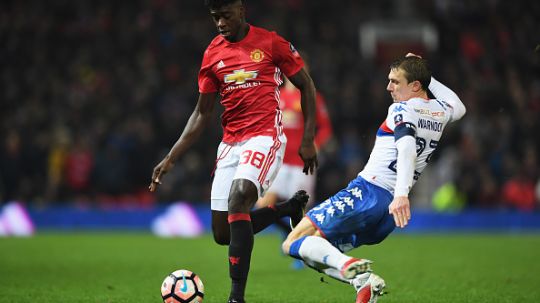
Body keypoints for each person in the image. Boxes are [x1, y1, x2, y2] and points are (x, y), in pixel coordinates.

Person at [149, 1, 318, 302]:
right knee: (223, 234)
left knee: (239, 197)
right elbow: (202, 113)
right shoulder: (213, 53)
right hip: (230, 144)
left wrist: (307, 139)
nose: (220, 23)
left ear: (241, 10)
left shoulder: (270, 42)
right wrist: (171, 157)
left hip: (265, 136)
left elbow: (306, 85)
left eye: (225, 16)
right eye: (215, 18)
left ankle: (236, 297)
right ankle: (287, 209)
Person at [281, 53, 466, 303]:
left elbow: (407, 147)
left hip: (368, 193)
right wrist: (427, 76)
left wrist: (402, 194)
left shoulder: (402, 109)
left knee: (292, 242)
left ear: (414, 86)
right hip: (387, 214)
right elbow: (459, 106)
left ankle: (354, 268)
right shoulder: (439, 112)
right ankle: (363, 283)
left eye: (395, 82)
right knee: (316, 250)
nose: (389, 87)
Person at [256, 56, 333, 232]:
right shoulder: (276, 96)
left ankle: (302, 248)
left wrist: (315, 145)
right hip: (278, 161)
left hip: (301, 163)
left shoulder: (312, 97)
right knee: (262, 205)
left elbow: (326, 128)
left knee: (300, 211)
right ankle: (288, 235)